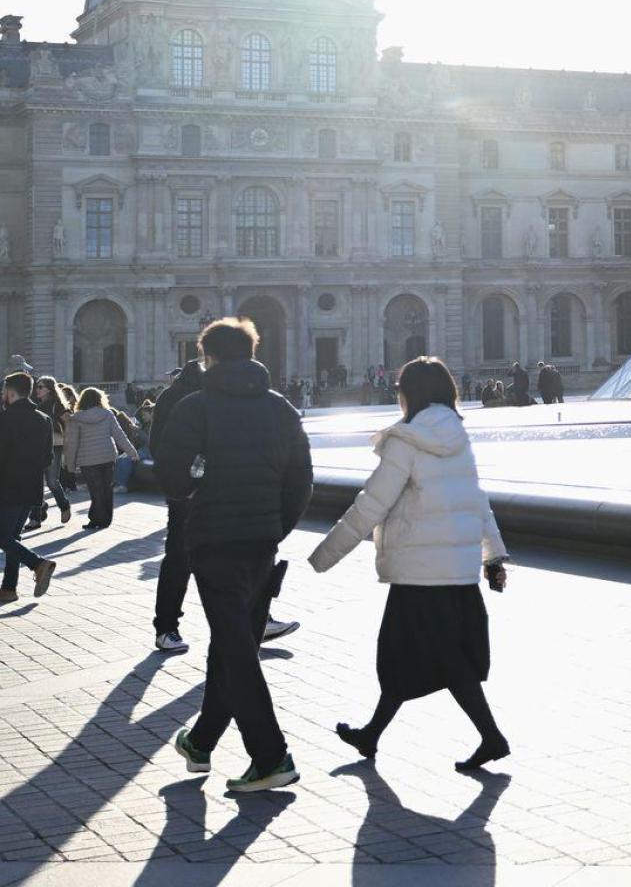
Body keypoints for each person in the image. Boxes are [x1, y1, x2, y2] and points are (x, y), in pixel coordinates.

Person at [310, 356, 512, 771]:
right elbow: (476, 499)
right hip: (455, 572)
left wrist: (323, 555)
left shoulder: (407, 440)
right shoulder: (457, 434)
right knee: (411, 658)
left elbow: (371, 504)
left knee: (433, 660)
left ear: (411, 394)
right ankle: (371, 735)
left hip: (420, 573)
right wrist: (493, 556)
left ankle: (491, 737)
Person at [155, 317, 313, 794]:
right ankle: (201, 741)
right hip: (263, 541)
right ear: (252, 351)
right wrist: (275, 525)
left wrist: (197, 488)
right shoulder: (282, 409)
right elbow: (301, 480)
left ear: (210, 357)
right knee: (231, 641)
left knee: (237, 646)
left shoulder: (194, 409)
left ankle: (269, 756)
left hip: (213, 541)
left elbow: (173, 479)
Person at [0, 372, 57, 604]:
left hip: (7, 486)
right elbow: (48, 458)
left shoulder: (4, 419)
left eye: (4, 392)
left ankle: (37, 563)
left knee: (4, 537)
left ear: (11, 392)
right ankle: (9, 588)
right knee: (12, 537)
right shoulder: (44, 419)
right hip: (32, 488)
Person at [63, 387, 138, 530]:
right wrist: (132, 452)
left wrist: (70, 466)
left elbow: (72, 443)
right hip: (107, 457)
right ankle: (105, 520)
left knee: (95, 490)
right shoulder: (108, 414)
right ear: (99, 400)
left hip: (88, 460)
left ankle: (95, 519)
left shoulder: (76, 418)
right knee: (106, 489)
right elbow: (119, 435)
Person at [23, 377, 72, 531]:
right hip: (36, 447)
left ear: (49, 389)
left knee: (52, 481)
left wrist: (67, 448)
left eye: (40, 387)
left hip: (54, 445)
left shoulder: (57, 405)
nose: (37, 389)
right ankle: (35, 518)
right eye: (36, 387)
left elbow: (68, 425)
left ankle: (64, 505)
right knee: (34, 483)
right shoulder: (35, 405)